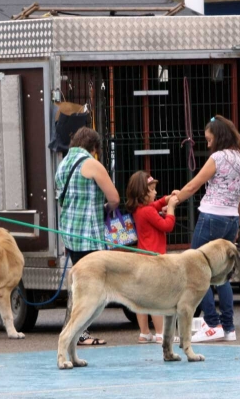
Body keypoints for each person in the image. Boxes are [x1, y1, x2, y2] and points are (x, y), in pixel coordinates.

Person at [176, 115, 240, 343]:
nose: (208, 143)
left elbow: (194, 185)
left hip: (211, 216)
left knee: (197, 270)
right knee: (222, 276)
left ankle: (212, 324)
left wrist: (175, 200)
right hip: (232, 218)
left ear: (218, 136)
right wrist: (237, 225)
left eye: (209, 138)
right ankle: (229, 328)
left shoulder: (218, 158)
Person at [55, 127, 120, 345]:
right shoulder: (91, 163)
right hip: (89, 235)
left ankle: (72, 331)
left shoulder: (62, 164)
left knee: (79, 285)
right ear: (94, 147)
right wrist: (105, 209)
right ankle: (78, 333)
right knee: (89, 288)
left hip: (70, 233)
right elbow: (114, 198)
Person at [125, 171, 179, 344]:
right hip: (155, 259)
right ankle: (162, 334)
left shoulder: (139, 209)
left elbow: (155, 205)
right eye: (152, 190)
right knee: (156, 299)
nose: (155, 192)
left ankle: (144, 332)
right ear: (143, 193)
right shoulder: (147, 211)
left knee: (142, 299)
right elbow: (167, 225)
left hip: (142, 258)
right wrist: (170, 208)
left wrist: (166, 199)